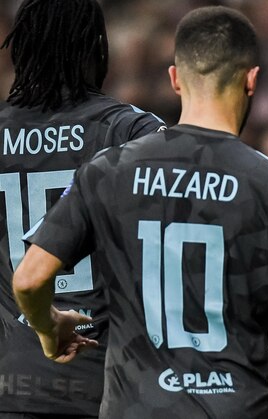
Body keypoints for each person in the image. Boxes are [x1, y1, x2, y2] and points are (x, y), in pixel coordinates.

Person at [11, 6, 268, 418]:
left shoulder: (108, 171)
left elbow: (29, 279)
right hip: (235, 405)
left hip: (129, 405)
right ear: (252, 79)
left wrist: (48, 327)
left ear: (175, 79)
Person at [0, 0, 165, 417]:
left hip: (11, 381)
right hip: (110, 382)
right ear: (95, 46)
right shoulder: (132, 130)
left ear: (22, 48)